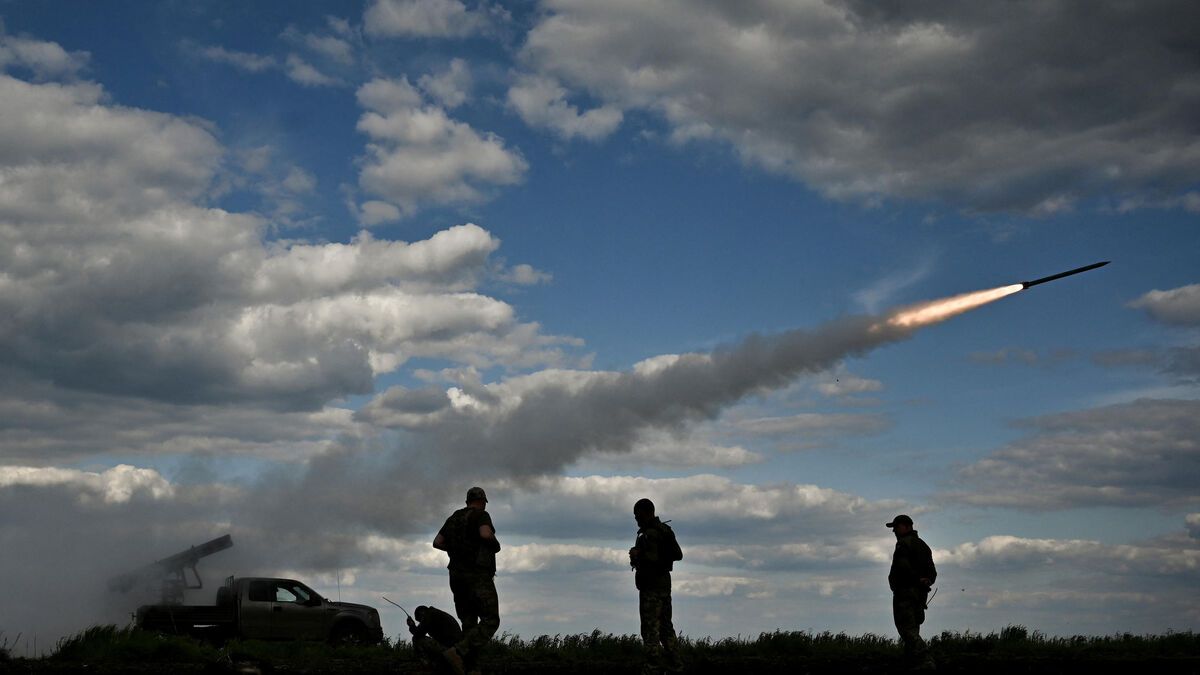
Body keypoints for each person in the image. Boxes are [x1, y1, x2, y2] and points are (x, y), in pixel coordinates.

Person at [433, 486, 501, 675]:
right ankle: (457, 652)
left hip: (456, 575)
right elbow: (486, 534)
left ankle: (471, 668)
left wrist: (455, 551)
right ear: (482, 501)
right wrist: (496, 545)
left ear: (467, 501)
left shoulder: (454, 517)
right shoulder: (480, 515)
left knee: (469, 623)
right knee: (491, 620)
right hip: (477, 575)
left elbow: (437, 542)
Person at [628, 498, 683, 674]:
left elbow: (651, 559)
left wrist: (638, 554)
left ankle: (652, 668)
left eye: (638, 515)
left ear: (647, 513)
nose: (637, 519)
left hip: (650, 587)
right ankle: (676, 665)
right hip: (664, 587)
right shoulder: (665, 530)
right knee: (666, 628)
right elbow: (678, 554)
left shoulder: (650, 534)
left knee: (650, 630)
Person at [886, 514, 937, 669]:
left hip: (905, 593)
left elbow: (903, 568)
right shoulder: (923, 545)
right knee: (913, 627)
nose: (894, 530)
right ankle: (911, 662)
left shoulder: (903, 544)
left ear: (907, 527)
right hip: (920, 595)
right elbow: (932, 572)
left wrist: (916, 580)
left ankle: (925, 659)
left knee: (906, 628)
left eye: (896, 526)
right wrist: (926, 580)